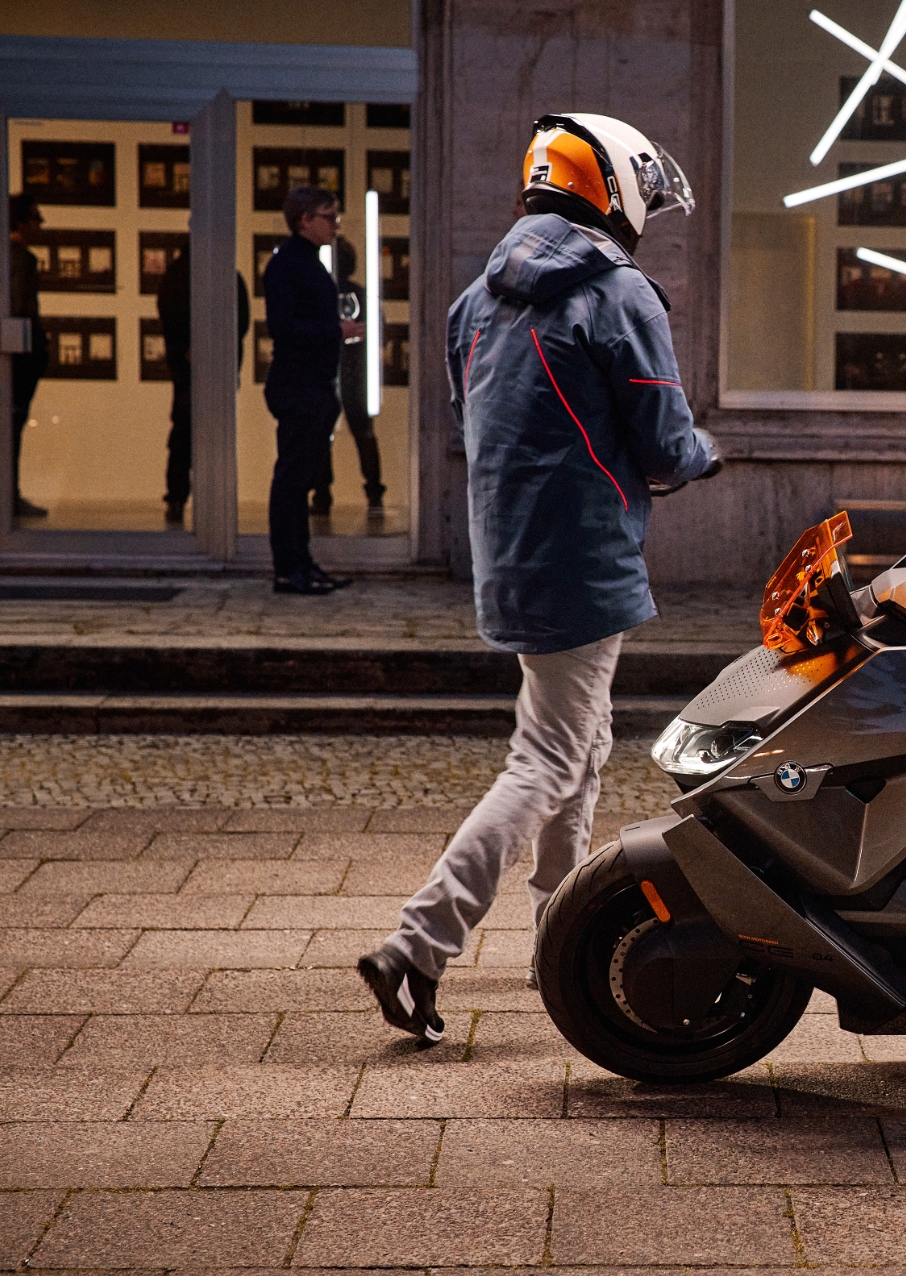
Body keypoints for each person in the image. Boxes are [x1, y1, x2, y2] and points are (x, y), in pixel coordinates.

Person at [357, 113, 712, 1043]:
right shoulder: (620, 296)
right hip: (584, 561)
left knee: (581, 742)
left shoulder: (475, 301)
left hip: (510, 555)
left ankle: (559, 930)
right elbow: (666, 446)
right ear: (615, 190)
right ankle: (419, 943)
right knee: (550, 757)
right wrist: (706, 452)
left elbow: (475, 421)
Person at [261, 186, 362, 594]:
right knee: (292, 480)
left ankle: (301, 563)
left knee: (301, 480)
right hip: (299, 385)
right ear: (305, 220)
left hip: (311, 385)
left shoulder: (303, 263)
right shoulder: (289, 265)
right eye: (328, 216)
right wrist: (336, 330)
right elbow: (285, 328)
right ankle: (289, 568)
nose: (335, 225)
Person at [157, 241, 251, 525]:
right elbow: (240, 320)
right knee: (204, 433)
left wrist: (185, 348)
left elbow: (170, 316)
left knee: (184, 433)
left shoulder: (179, 274)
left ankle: (179, 498)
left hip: (191, 366)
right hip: (206, 366)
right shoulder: (222, 274)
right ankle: (208, 498)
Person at [308, 238, 388, 520]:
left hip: (343, 373)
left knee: (330, 436)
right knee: (357, 435)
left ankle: (324, 496)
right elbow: (380, 333)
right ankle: (371, 493)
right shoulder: (358, 294)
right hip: (350, 374)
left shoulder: (325, 294)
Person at [7, 194, 49, 519]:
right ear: (21, 221)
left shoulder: (4, 258)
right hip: (20, 359)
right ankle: (9, 495)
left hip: (17, 356)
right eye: (36, 217)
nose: (41, 224)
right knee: (13, 425)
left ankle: (6, 495)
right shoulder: (21, 260)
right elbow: (22, 310)